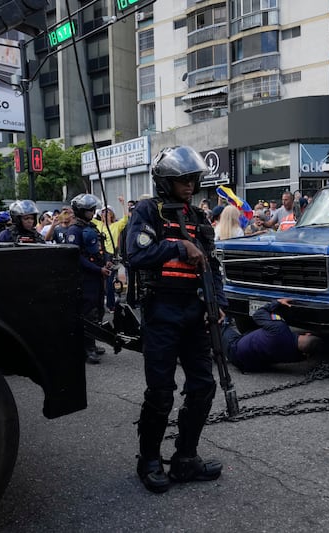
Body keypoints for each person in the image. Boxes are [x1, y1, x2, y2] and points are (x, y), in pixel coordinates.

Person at [126, 145, 225, 494]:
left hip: (196, 313)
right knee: (161, 391)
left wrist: (219, 303)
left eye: (192, 178)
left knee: (203, 386)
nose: (189, 184)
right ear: (165, 182)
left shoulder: (198, 218)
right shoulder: (147, 211)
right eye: (182, 179)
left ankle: (186, 459)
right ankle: (149, 460)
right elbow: (136, 254)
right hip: (161, 312)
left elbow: (212, 265)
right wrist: (179, 247)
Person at [66, 193, 111, 364]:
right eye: (89, 210)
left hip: (98, 275)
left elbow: (102, 247)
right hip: (85, 278)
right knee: (88, 313)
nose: (92, 213)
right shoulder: (74, 230)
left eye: (93, 210)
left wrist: (106, 262)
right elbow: (76, 256)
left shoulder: (93, 227)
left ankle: (92, 342)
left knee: (99, 309)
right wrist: (97, 269)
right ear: (80, 211)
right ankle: (88, 348)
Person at [222, 298, 322, 372]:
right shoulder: (294, 357)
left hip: (235, 349)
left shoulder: (279, 329)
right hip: (250, 365)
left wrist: (277, 302)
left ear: (307, 334)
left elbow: (258, 314)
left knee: (220, 328)